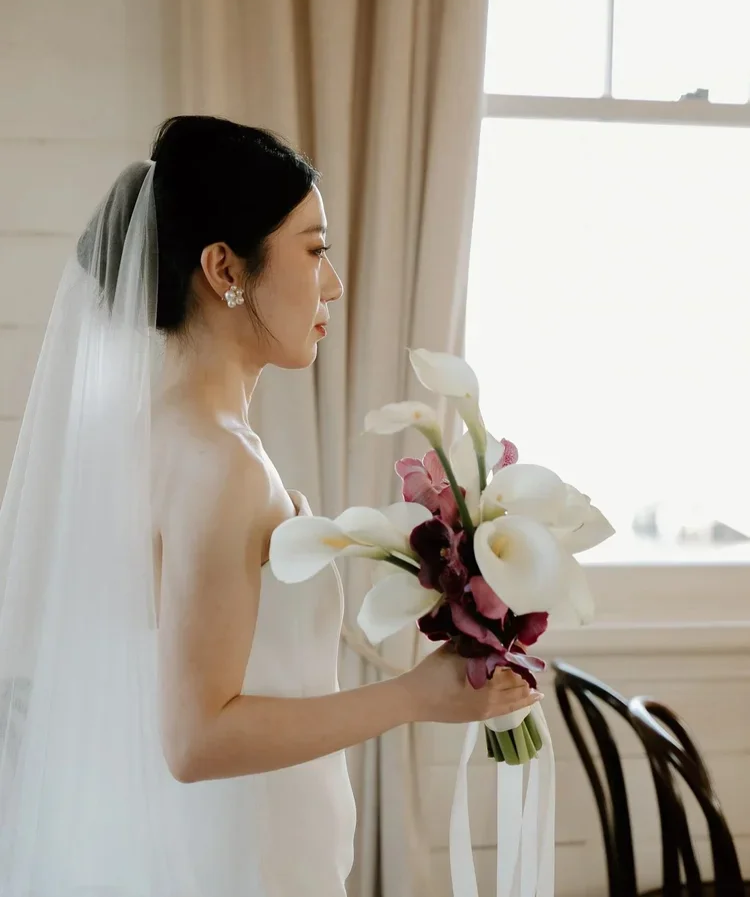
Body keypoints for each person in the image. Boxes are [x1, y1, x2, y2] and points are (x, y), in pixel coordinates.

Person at [0, 115, 539, 896]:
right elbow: (196, 738)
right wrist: (414, 697)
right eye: (315, 249)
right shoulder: (220, 462)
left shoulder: (156, 435)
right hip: (242, 857)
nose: (334, 284)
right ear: (225, 267)